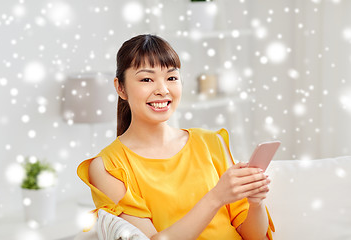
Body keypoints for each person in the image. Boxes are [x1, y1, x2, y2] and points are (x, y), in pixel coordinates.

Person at [77, 34, 275, 240]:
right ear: (120, 88)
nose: (162, 90)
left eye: (171, 78)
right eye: (146, 79)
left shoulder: (210, 142)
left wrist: (255, 203)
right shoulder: (108, 167)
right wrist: (216, 197)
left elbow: (254, 237)